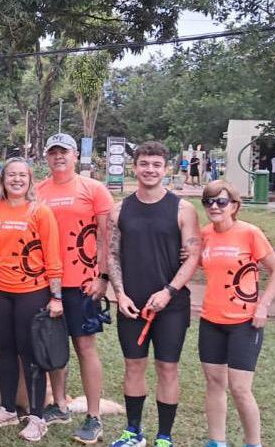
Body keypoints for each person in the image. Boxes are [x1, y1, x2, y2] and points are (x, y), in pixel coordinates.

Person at [107, 141, 201, 447]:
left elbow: (193, 257)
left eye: (156, 165)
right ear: (135, 167)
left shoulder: (183, 209)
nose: (150, 170)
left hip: (171, 306)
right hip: (131, 304)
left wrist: (169, 292)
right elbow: (112, 255)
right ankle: (132, 431)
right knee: (133, 365)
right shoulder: (119, 209)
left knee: (167, 367)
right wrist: (119, 295)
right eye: (144, 164)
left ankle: (164, 437)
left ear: (166, 168)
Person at [0, 158, 63, 440]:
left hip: (31, 291)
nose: (17, 179)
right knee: (7, 349)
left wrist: (56, 296)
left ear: (30, 180)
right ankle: (8, 409)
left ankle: (37, 417)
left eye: (22, 175)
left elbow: (53, 257)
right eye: (11, 175)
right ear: (3, 179)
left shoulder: (40, 211)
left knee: (31, 353)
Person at [35, 133, 113, 443]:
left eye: (63, 152)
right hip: (45, 282)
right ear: (47, 157)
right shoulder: (38, 191)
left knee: (84, 347)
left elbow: (108, 237)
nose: (58, 157)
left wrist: (103, 277)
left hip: (82, 282)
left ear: (75, 155)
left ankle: (93, 416)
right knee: (52, 345)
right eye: (52, 152)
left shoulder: (93, 189)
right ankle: (60, 403)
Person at [196, 181, 275, 447]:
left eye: (221, 202)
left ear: (234, 205)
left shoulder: (250, 233)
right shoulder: (204, 235)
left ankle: (253, 443)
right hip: (210, 319)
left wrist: (263, 305)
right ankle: (216, 441)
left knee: (240, 388)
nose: (215, 207)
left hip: (244, 323)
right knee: (214, 382)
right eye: (209, 201)